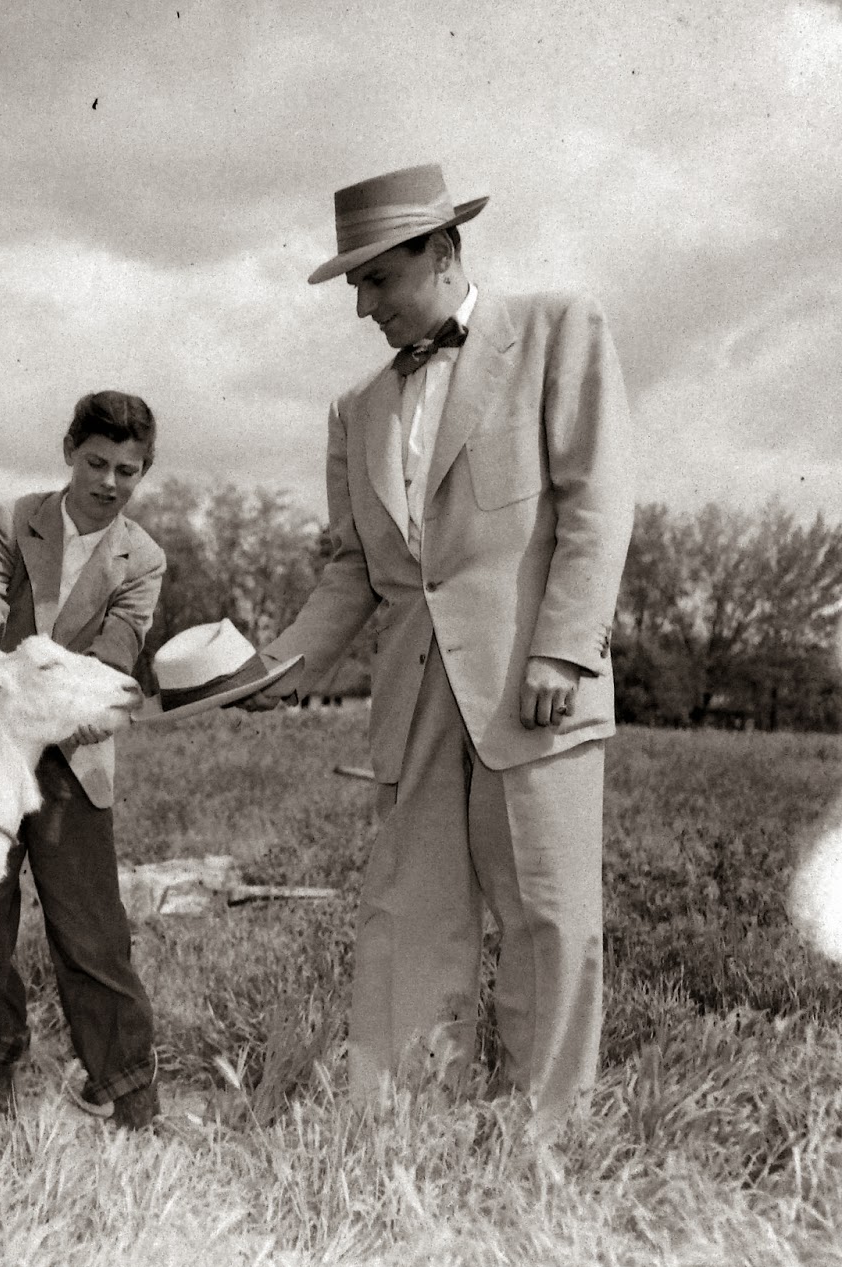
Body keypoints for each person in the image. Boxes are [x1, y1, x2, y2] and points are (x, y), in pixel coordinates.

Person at [240, 164, 634, 1126]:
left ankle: (543, 1132)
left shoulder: (555, 328)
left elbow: (598, 498)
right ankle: (402, 1125)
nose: (363, 307)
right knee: (407, 917)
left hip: (532, 687)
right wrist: (279, 671)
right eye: (355, 286)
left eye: (377, 280)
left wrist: (566, 649)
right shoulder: (355, 409)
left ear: (445, 251)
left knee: (548, 916)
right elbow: (353, 570)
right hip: (412, 704)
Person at [0, 389, 166, 1129]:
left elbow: (120, 647)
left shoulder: (143, 558)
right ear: (69, 450)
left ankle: (127, 1093)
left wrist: (94, 714)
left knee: (92, 932)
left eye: (128, 471)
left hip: (73, 761)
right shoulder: (11, 519)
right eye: (97, 463)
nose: (109, 484)